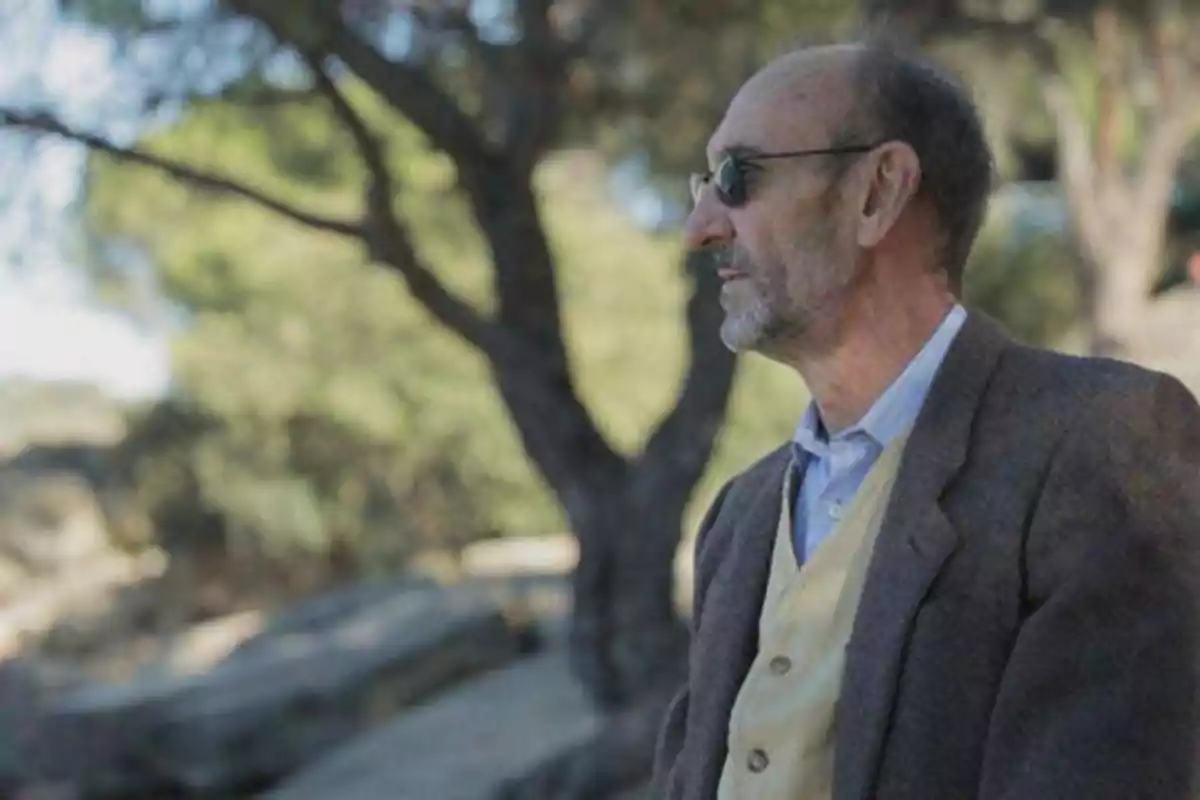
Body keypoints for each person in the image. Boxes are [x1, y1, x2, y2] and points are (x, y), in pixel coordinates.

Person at [653, 36, 1200, 800]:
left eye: (737, 177)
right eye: (701, 185)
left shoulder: (1101, 442)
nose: (701, 226)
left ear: (878, 193)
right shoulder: (738, 519)